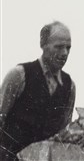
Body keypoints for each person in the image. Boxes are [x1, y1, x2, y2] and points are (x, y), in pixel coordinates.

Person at [0, 22, 76, 161]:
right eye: (59, 47)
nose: (64, 53)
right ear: (43, 45)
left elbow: (63, 134)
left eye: (68, 48)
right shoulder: (19, 75)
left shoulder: (69, 86)